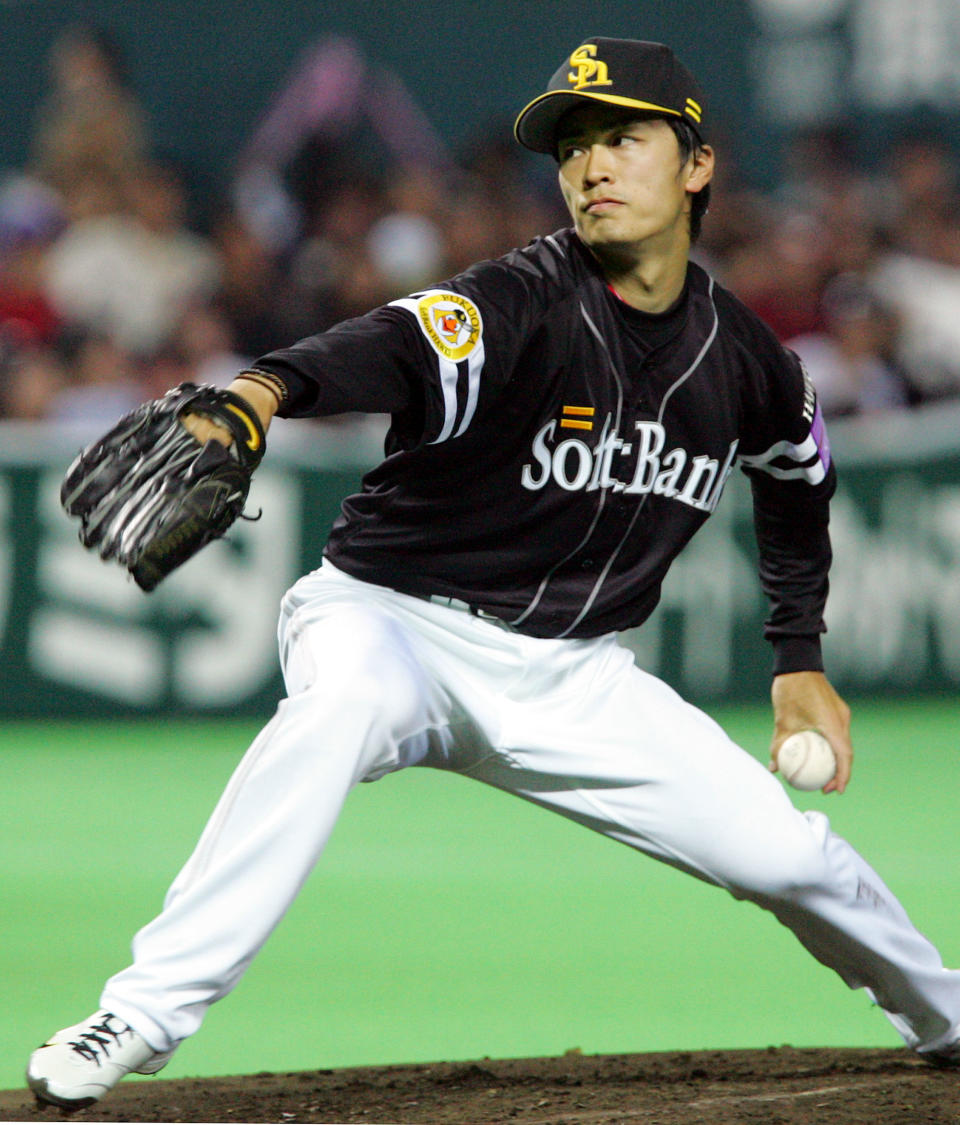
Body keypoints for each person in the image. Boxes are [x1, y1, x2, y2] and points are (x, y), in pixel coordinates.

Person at [26, 37, 960, 1110]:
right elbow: (393, 345)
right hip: (392, 623)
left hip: (574, 677)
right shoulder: (522, 299)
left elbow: (798, 486)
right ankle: (135, 1017)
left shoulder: (748, 361)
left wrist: (800, 658)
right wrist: (263, 391)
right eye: (573, 148)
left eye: (623, 137)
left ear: (696, 163)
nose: (592, 166)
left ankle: (945, 1014)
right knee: (333, 717)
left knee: (787, 857)